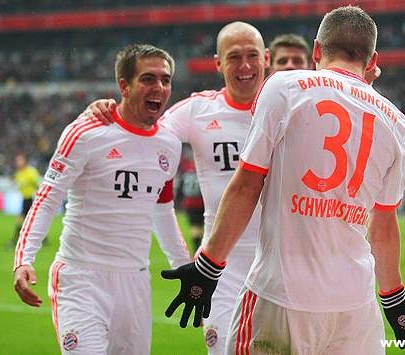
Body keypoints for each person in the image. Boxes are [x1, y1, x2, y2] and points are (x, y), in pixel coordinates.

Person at [163, 6, 405, 355]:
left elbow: (247, 185)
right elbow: (383, 224)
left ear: (317, 50)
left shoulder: (284, 86)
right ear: (372, 61)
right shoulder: (396, 122)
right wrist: (394, 298)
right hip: (356, 306)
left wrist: (208, 266)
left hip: (283, 295)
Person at [86, 22, 277, 355]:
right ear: (218, 63)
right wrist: (108, 112)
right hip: (221, 268)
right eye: (234, 57)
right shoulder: (199, 111)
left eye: (252, 56)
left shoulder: (288, 108)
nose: (244, 66)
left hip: (281, 263)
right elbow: (142, 130)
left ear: (267, 58)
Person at [13, 44, 191, 355]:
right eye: (148, 79)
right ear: (124, 86)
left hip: (135, 281)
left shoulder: (170, 144)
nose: (159, 88)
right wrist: (24, 259)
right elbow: (48, 196)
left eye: (165, 80)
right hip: (82, 277)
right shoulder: (86, 133)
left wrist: (184, 266)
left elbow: (162, 210)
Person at [175, 144, 204, 252]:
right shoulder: (202, 170)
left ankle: (197, 250)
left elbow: (180, 187)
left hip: (190, 203)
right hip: (202, 202)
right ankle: (202, 251)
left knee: (195, 228)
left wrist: (178, 200)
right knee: (205, 229)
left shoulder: (186, 169)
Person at [8, 152, 41, 249]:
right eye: (17, 161)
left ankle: (15, 240)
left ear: (24, 161)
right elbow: (16, 181)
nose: (17, 162)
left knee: (21, 220)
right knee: (31, 221)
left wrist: (38, 195)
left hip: (30, 199)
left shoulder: (31, 172)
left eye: (19, 160)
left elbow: (37, 184)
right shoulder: (19, 173)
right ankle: (44, 239)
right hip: (24, 199)